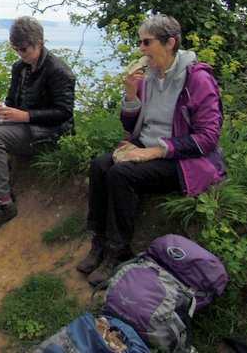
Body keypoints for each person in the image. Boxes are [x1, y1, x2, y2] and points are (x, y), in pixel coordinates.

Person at [78, 14, 226, 286]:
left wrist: (154, 151)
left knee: (121, 175)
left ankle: (118, 252)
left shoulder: (197, 80)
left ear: (170, 43)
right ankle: (98, 241)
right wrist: (131, 94)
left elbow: (208, 138)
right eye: (140, 42)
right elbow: (130, 124)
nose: (141, 49)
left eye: (147, 42)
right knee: (100, 165)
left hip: (182, 158)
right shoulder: (150, 78)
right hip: (147, 147)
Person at [0, 16, 76, 233]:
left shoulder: (59, 71)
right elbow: (13, 100)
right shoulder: (20, 67)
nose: (20, 54)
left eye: (24, 49)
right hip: (25, 125)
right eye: (16, 49)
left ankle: (3, 203)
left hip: (50, 133)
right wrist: (5, 109)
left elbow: (64, 113)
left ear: (39, 43)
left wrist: (24, 116)